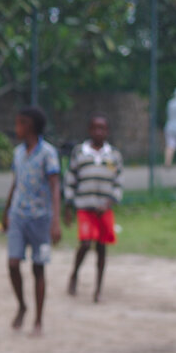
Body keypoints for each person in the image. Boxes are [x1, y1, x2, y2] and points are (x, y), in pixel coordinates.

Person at [2, 105, 61, 335]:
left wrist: (55, 221)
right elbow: (15, 183)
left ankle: (38, 319)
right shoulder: (18, 153)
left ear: (30, 126)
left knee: (38, 269)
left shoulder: (48, 153)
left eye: (19, 123)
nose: (16, 128)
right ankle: (22, 306)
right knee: (13, 263)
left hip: (41, 219)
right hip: (18, 215)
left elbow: (55, 187)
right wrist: (6, 212)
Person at [64, 116, 122, 303]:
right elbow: (70, 179)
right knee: (86, 243)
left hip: (104, 209)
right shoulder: (80, 152)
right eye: (95, 128)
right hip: (84, 206)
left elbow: (118, 183)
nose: (99, 132)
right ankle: (74, 274)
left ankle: (98, 289)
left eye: (102, 128)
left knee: (102, 247)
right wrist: (68, 204)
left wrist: (109, 202)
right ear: (89, 130)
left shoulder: (113, 155)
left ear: (108, 131)